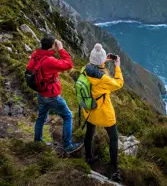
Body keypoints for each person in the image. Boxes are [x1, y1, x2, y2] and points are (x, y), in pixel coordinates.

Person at [28, 35, 83, 154]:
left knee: (41, 117)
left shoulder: (36, 54)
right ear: (52, 46)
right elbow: (68, 65)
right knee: (68, 116)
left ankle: (37, 141)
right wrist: (61, 49)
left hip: (41, 93)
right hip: (51, 95)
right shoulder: (49, 61)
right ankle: (68, 146)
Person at [82, 43, 124, 182]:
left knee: (89, 133)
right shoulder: (104, 79)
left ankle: (88, 156)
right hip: (104, 113)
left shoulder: (85, 70)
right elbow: (118, 83)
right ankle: (114, 169)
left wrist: (102, 60)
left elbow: (95, 67)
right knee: (113, 138)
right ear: (100, 61)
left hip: (89, 110)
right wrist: (117, 66)